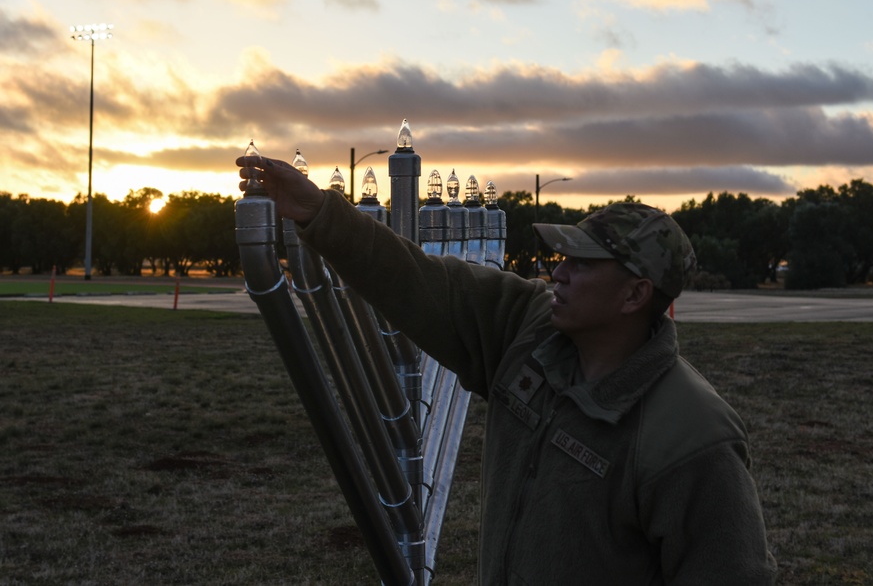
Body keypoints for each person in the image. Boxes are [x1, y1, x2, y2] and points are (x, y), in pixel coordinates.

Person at [236, 154, 777, 585]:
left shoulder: (693, 438)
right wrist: (319, 213)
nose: (557, 272)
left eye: (581, 264)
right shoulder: (529, 326)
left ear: (636, 294)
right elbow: (418, 281)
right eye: (562, 258)